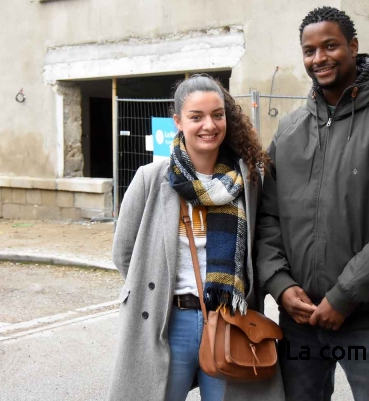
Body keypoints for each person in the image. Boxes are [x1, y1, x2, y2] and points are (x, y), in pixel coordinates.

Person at [255, 6, 369, 401]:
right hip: (298, 320)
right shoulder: (290, 129)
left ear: (353, 47)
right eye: (309, 50)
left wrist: (343, 296)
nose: (319, 58)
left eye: (330, 46)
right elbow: (268, 217)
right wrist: (281, 286)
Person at [107, 74, 284, 401]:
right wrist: (154, 289)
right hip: (169, 322)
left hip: (230, 321)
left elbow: (261, 245)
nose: (209, 125)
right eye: (196, 116)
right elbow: (124, 254)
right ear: (178, 122)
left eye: (217, 115)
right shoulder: (151, 179)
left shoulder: (247, 181)